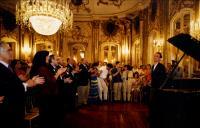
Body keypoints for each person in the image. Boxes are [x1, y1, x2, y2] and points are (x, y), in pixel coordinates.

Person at [0, 41, 45, 128]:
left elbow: (12, 85)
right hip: (8, 111)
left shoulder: (7, 67)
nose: (12, 52)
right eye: (9, 50)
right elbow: (7, 89)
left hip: (14, 109)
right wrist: (26, 85)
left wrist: (30, 81)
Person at [29, 50, 67, 128]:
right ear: (42, 58)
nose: (48, 58)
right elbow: (51, 82)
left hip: (46, 95)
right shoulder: (42, 68)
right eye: (46, 56)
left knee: (47, 116)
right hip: (46, 96)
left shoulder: (42, 67)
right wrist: (58, 73)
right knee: (47, 117)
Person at [149, 52, 166, 128]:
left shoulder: (161, 66)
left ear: (160, 58)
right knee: (152, 103)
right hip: (153, 87)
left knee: (157, 104)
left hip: (158, 88)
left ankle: (156, 119)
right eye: (155, 56)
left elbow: (162, 78)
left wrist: (159, 86)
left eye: (157, 56)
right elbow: (153, 76)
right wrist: (151, 82)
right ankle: (152, 118)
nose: (155, 57)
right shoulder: (153, 66)